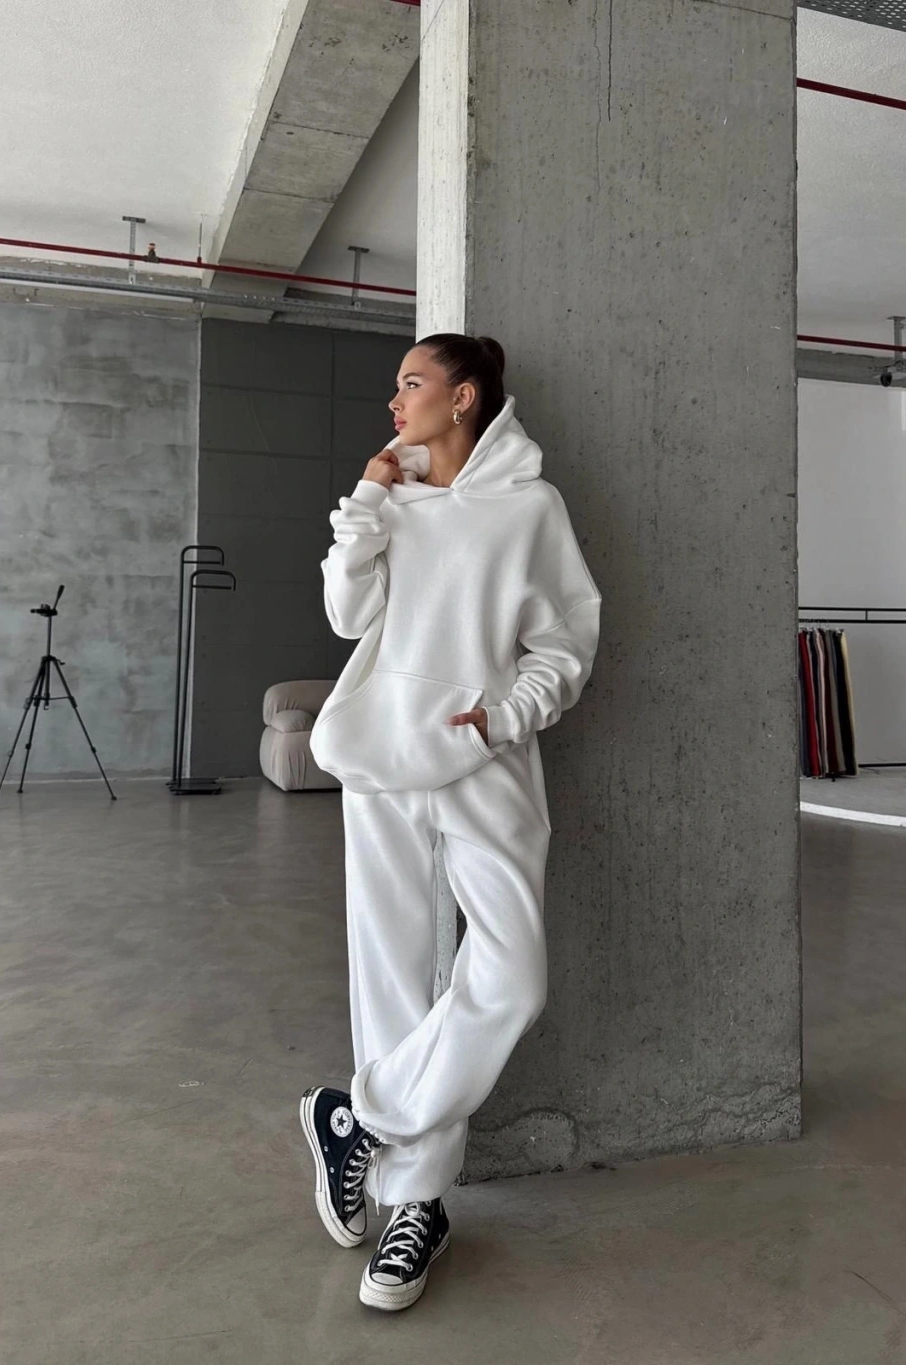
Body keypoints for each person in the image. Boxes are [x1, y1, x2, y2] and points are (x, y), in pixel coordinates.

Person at [299, 333, 602, 1312]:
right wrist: (367, 502)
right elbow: (347, 616)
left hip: (486, 758)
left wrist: (506, 716)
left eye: (413, 383)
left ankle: (359, 1116)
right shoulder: (392, 498)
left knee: (512, 976)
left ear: (464, 396)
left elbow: (565, 644)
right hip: (383, 761)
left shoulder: (530, 507)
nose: (396, 401)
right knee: (393, 977)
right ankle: (416, 1208)